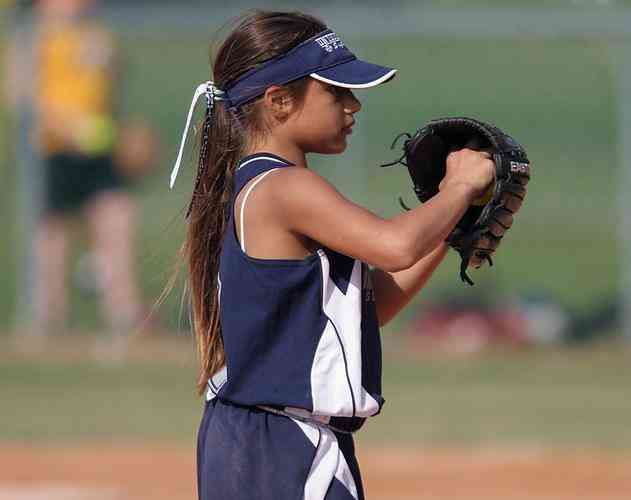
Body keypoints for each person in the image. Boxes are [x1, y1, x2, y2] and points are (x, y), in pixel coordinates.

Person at [169, 11, 494, 500]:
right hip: (280, 447)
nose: (353, 105)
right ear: (279, 101)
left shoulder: (275, 186)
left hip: (281, 442)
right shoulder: (283, 187)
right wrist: (459, 188)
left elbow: (374, 303)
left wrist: (452, 223)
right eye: (336, 92)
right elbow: (395, 245)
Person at [12, 0, 145, 354]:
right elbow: (21, 94)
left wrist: (117, 129)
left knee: (117, 218)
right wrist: (68, 126)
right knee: (53, 234)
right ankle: (49, 317)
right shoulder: (32, 37)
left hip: (98, 147)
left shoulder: (97, 35)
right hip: (53, 148)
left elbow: (110, 89)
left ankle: (124, 313)